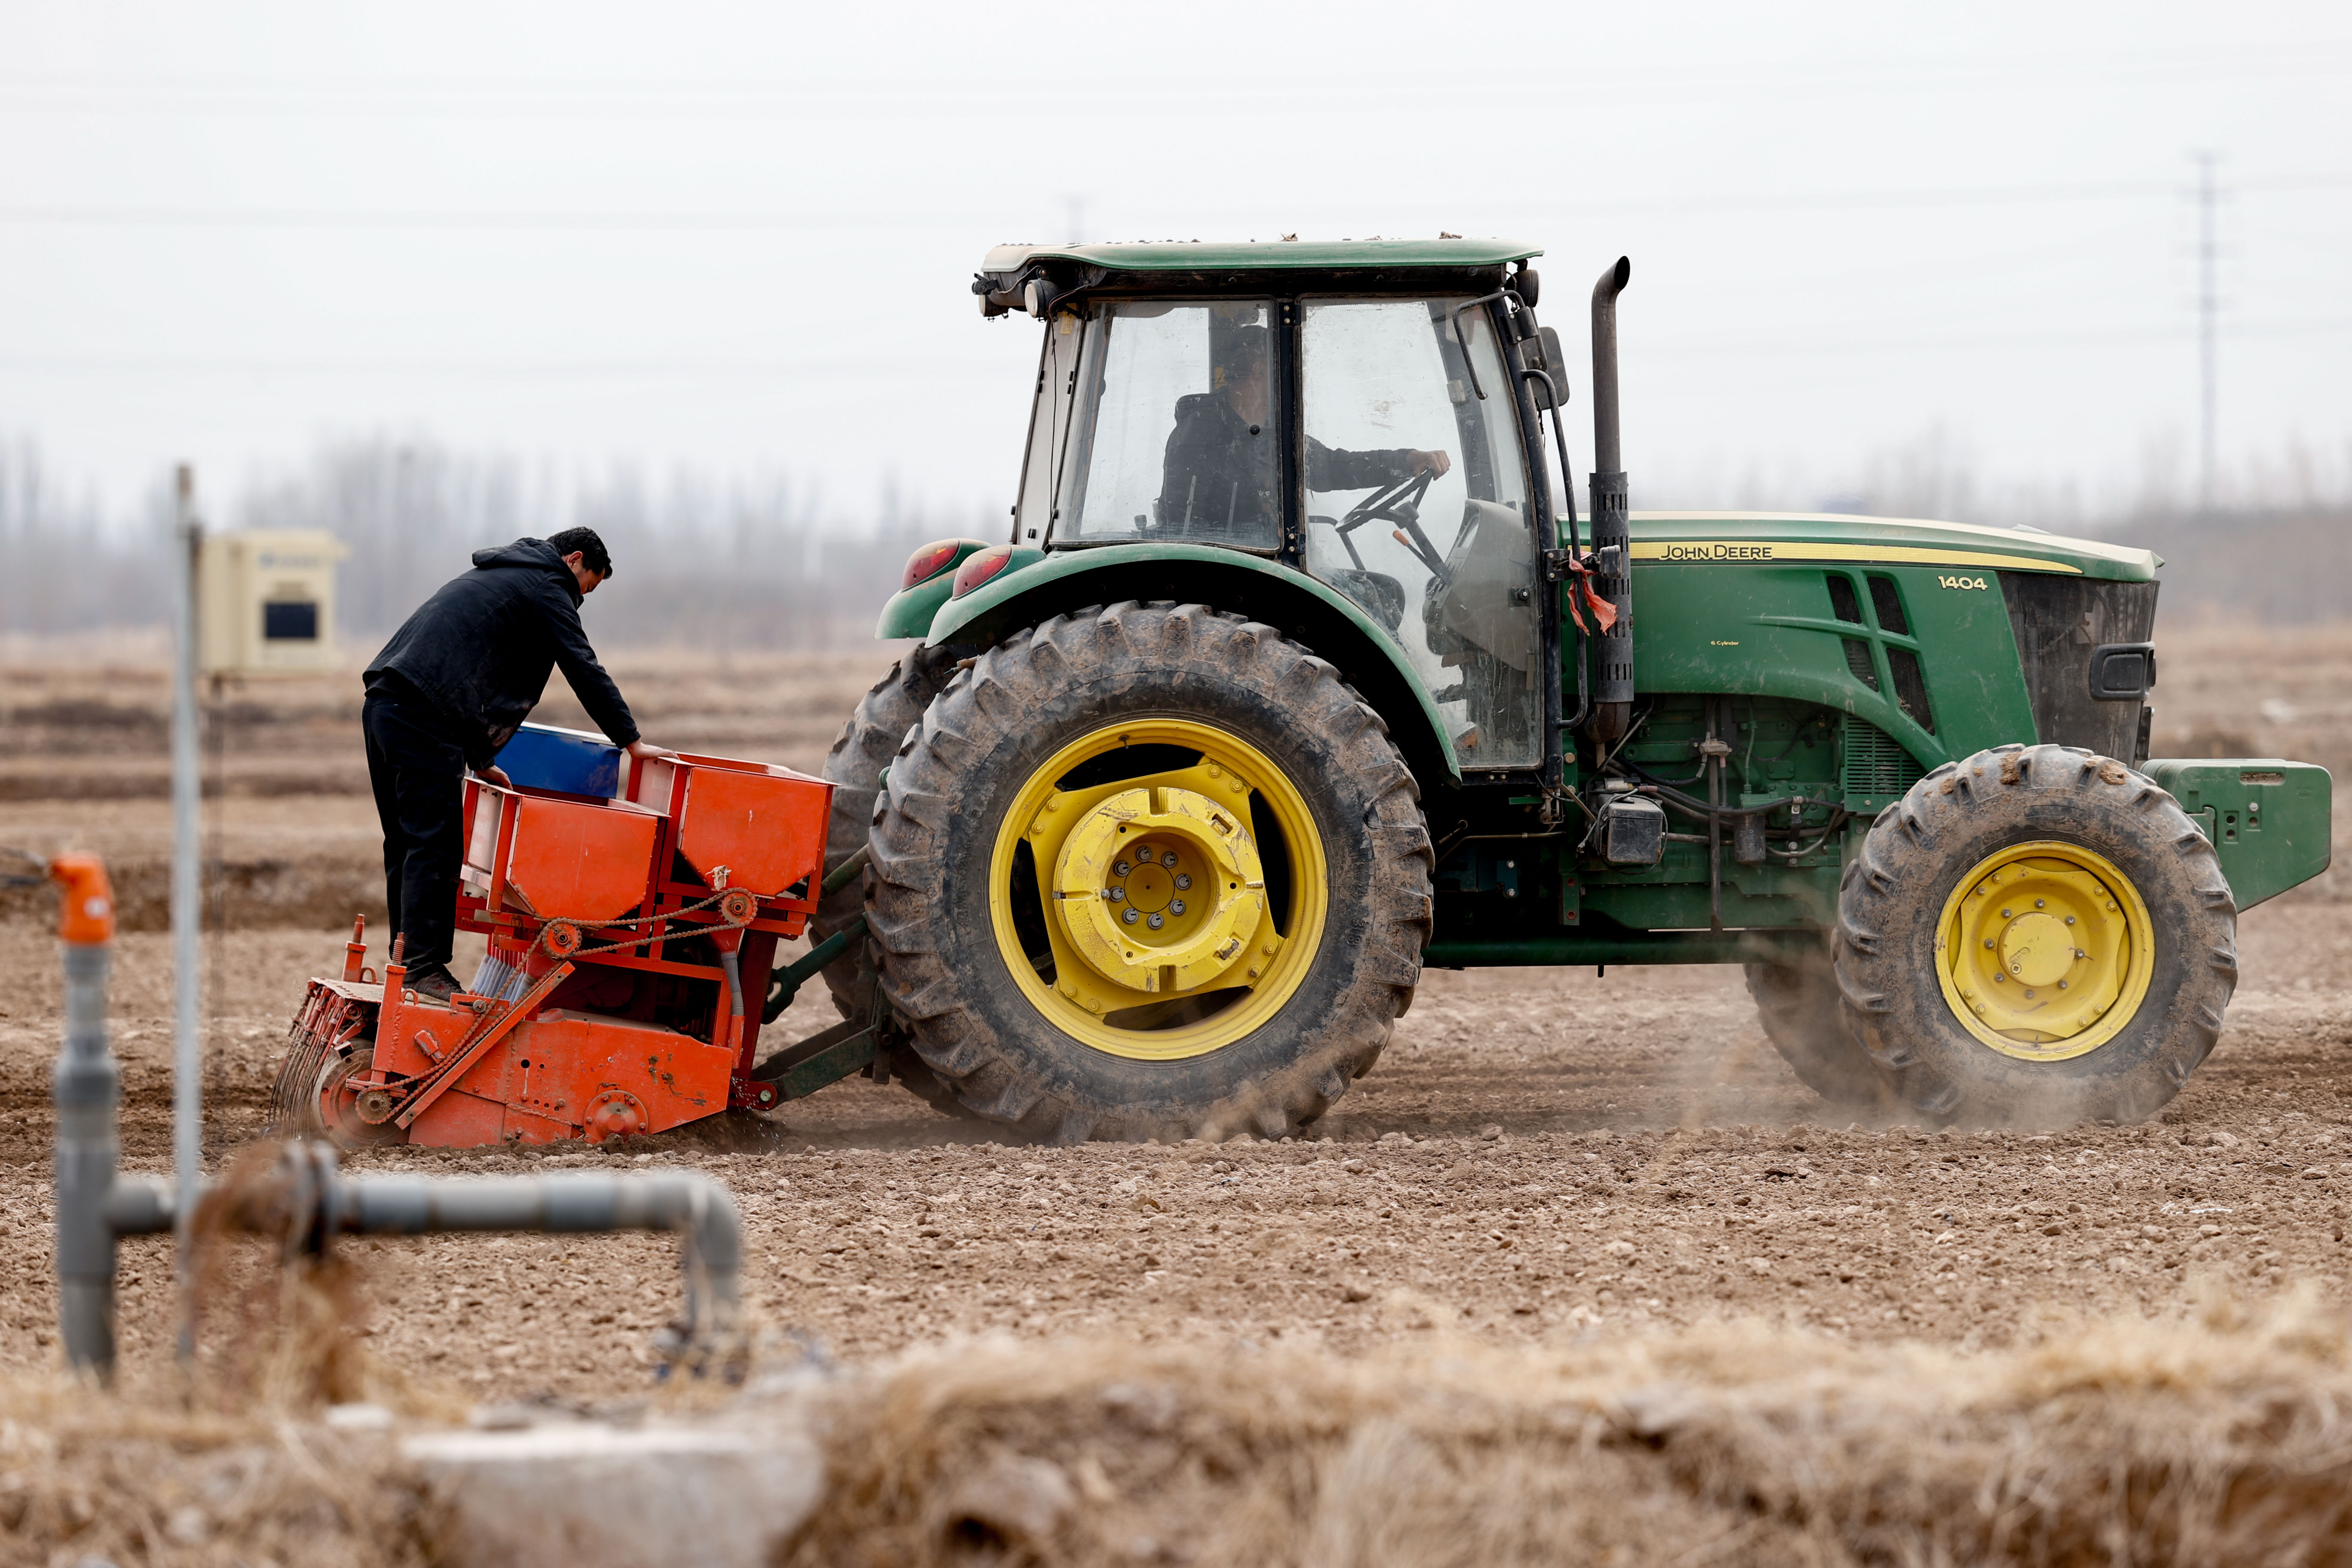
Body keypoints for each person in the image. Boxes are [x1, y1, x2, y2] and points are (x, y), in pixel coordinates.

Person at [361, 527, 668, 1001]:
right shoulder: (547, 584)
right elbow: (582, 665)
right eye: (587, 588)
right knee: (435, 844)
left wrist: (480, 758)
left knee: (405, 842)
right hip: (422, 715)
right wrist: (632, 742)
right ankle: (425, 971)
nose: (579, 601)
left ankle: (407, 962)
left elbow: (465, 665)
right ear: (576, 560)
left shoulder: (505, 574)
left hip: (387, 703)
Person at [1156, 322, 1451, 539]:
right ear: (1260, 370)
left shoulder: (1270, 433)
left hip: (1264, 556)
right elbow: (1185, 527)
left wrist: (1407, 460)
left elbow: (1334, 468)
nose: (1291, 378)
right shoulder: (1199, 433)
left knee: (1386, 591)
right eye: (1284, 367)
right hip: (1232, 570)